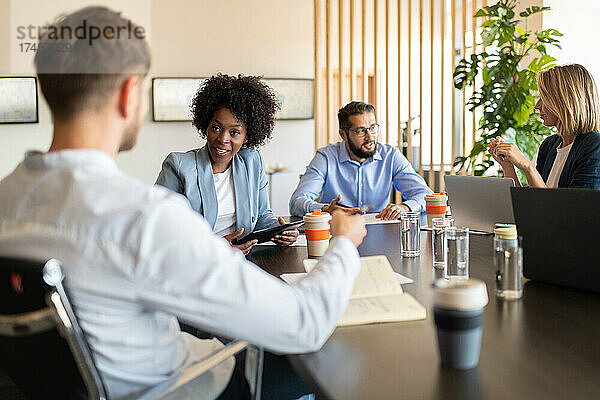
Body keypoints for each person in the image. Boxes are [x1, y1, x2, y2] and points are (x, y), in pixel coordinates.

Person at [0, 6, 367, 400]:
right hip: (182, 386)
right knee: (341, 352)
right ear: (129, 93)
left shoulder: (7, 199)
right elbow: (305, 323)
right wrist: (344, 243)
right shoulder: (144, 218)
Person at [156, 75, 298, 255]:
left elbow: (262, 216)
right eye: (216, 128)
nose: (223, 139)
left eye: (234, 132)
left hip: (243, 263)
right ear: (205, 126)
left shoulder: (252, 161)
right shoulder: (178, 166)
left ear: (247, 136)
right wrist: (216, 247)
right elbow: (159, 228)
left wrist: (279, 230)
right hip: (195, 264)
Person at [289, 101, 433, 219]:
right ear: (343, 134)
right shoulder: (326, 157)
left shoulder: (390, 155)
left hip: (380, 232)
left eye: (372, 128)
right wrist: (326, 209)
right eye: (360, 131)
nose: (370, 137)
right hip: (338, 233)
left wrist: (405, 207)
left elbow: (426, 196)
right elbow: (297, 202)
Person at [488, 64, 600, 188]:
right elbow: (530, 202)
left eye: (544, 98)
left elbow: (573, 206)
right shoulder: (549, 145)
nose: (537, 106)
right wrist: (507, 165)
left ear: (564, 100)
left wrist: (527, 166)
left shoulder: (594, 144)